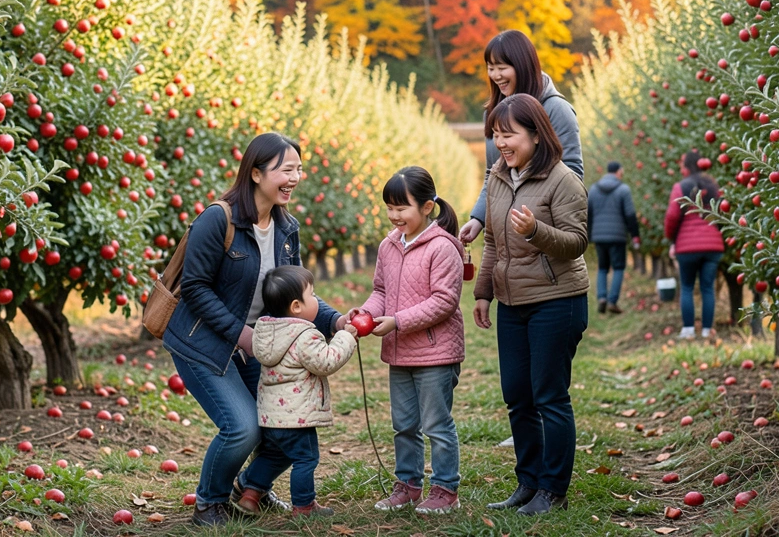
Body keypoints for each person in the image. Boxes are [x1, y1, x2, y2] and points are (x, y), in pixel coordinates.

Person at [162, 133, 353, 526]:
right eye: (286, 170)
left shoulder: (286, 228)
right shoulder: (219, 219)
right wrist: (241, 335)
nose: (295, 177)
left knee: (288, 424)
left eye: (299, 169)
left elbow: (294, 295)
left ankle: (250, 490)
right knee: (243, 427)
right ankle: (208, 504)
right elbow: (194, 288)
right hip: (202, 342)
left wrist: (336, 320)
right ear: (255, 173)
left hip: (256, 343)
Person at [471, 94, 589, 516]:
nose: (501, 143)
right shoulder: (498, 177)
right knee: (517, 394)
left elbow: (577, 242)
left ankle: (553, 489)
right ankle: (528, 482)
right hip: (512, 301)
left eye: (510, 134)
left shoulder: (562, 180)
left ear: (537, 135)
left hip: (557, 299)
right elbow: (491, 242)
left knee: (549, 396)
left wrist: (538, 231)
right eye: (496, 134)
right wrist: (483, 291)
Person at [349, 166, 465, 515]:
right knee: (403, 424)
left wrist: (397, 321)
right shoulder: (388, 245)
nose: (394, 215)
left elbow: (444, 302)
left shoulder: (442, 248)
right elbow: (381, 291)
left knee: (436, 424)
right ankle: (409, 485)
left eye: (402, 207)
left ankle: (446, 489)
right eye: (390, 207)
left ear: (428, 207)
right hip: (399, 353)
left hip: (435, 352)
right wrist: (365, 313)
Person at [250, 266, 359, 517]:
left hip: (272, 416)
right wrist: (345, 337)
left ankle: (249, 493)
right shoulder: (305, 336)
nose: (317, 300)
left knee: (274, 455)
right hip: (296, 417)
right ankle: (304, 506)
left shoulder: (265, 332)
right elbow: (326, 361)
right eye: (313, 295)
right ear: (297, 306)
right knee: (306, 460)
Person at [458, 31, 583, 246]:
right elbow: (493, 174)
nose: (495, 75)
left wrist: (536, 219)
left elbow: (573, 174)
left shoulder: (556, 109)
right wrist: (478, 218)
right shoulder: (493, 113)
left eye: (502, 67)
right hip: (505, 232)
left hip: (543, 231)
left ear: (523, 66)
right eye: (491, 68)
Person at [664, 150, 725, 340]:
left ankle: (688, 330)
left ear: (687, 166)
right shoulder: (714, 186)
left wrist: (672, 238)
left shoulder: (681, 187)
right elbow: (723, 211)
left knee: (687, 287)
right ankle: (707, 330)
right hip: (712, 245)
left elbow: (672, 216)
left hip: (687, 247)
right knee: (708, 288)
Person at [587, 161, 640, 314]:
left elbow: (588, 214)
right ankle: (612, 301)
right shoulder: (623, 190)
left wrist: (589, 234)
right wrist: (635, 235)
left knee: (603, 267)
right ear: (618, 172)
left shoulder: (594, 189)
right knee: (618, 268)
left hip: (599, 236)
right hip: (617, 236)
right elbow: (630, 215)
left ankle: (602, 297)